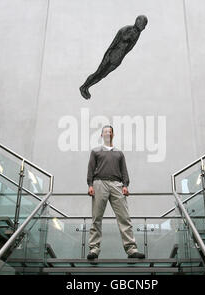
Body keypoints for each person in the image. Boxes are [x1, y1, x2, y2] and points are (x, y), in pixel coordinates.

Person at [86, 125, 145, 259]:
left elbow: (124, 170)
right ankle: (94, 249)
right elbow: (90, 169)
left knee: (124, 217)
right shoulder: (95, 151)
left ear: (113, 135)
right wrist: (90, 185)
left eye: (110, 131)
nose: (108, 133)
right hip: (99, 183)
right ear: (102, 135)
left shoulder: (119, 153)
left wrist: (125, 185)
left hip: (117, 185)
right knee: (96, 218)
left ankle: (131, 249)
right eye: (105, 131)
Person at [80, 15, 148, 99]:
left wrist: (120, 57)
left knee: (102, 76)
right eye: (143, 24)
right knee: (98, 72)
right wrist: (109, 55)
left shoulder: (138, 33)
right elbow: (116, 42)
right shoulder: (126, 29)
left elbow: (129, 48)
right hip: (111, 55)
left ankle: (87, 87)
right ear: (138, 22)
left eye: (145, 25)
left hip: (118, 59)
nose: (144, 27)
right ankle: (83, 87)